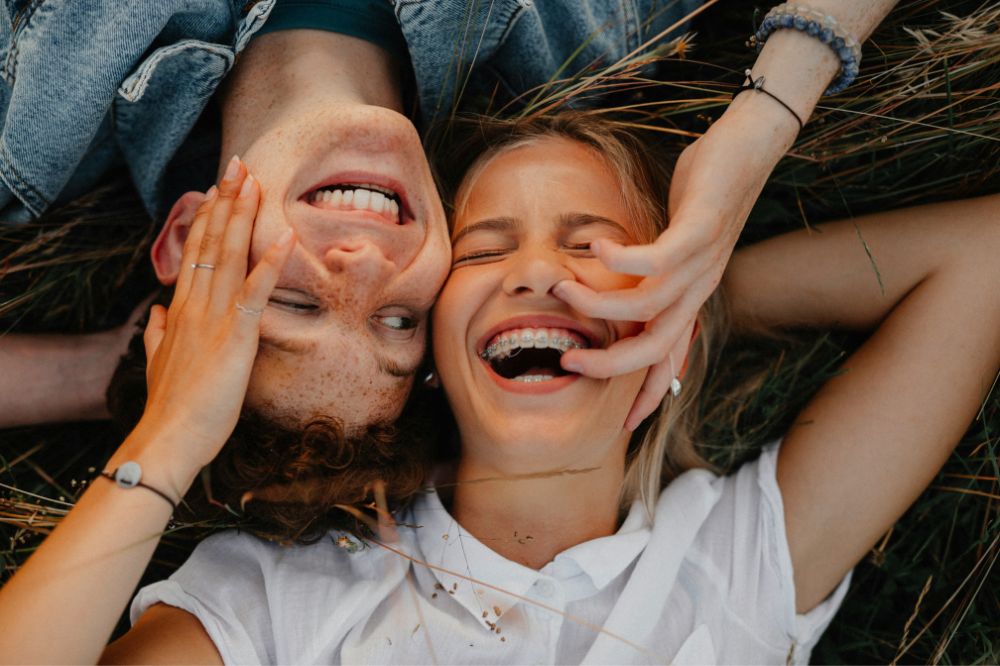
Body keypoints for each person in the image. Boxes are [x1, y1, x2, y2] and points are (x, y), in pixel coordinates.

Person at [4, 111, 998, 663]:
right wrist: (169, 439)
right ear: (433, 342)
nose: (535, 271)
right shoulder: (280, 602)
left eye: (591, 245)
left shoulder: (729, 563)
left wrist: (679, 296)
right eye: (485, 253)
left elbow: (981, 261)